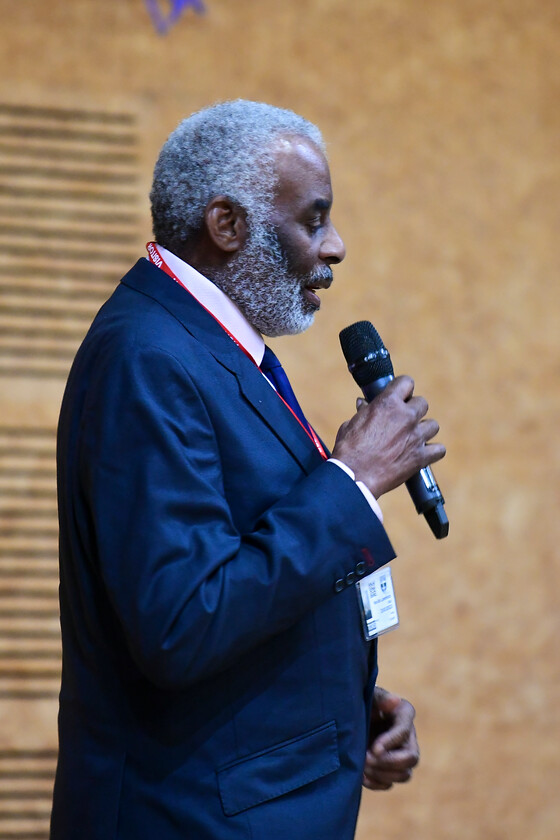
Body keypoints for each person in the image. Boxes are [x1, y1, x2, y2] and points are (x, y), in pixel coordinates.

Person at [50, 100, 445, 839]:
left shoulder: (214, 345)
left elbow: (237, 574)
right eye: (314, 219)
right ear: (227, 225)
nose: (336, 247)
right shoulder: (148, 357)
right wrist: (353, 479)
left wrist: (345, 699)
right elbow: (181, 622)